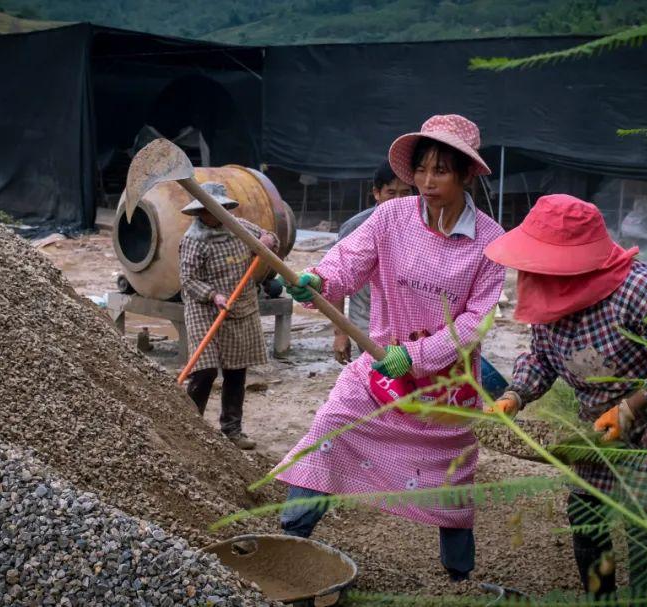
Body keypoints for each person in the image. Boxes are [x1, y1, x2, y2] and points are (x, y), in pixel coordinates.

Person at [275, 114, 506, 582]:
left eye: (440, 170)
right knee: (329, 430)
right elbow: (348, 262)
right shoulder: (390, 217)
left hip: (447, 390)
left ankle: (459, 576)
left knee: (450, 480)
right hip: (379, 370)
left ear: (465, 173)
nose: (425, 181)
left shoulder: (490, 242)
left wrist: (417, 357)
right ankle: (287, 541)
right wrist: (320, 281)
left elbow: (473, 324)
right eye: (420, 170)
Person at [484, 194, 647, 598]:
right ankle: (601, 597)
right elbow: (541, 358)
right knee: (585, 510)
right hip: (601, 421)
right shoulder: (545, 292)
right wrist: (515, 395)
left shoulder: (641, 291)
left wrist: (629, 408)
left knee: (644, 511)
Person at [178, 182, 279, 450]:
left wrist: (267, 241)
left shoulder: (240, 228)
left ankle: (232, 430)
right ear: (200, 212)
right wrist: (213, 295)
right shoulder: (192, 240)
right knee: (205, 370)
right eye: (209, 211)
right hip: (205, 308)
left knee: (236, 370)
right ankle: (190, 428)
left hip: (241, 305)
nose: (214, 215)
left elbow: (270, 239)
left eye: (219, 209)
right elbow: (188, 280)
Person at [332, 161, 413, 364]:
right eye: (391, 193)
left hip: (410, 322)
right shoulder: (358, 227)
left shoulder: (422, 225)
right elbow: (336, 279)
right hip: (367, 322)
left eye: (405, 193)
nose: (398, 200)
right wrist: (340, 333)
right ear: (377, 193)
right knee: (381, 380)